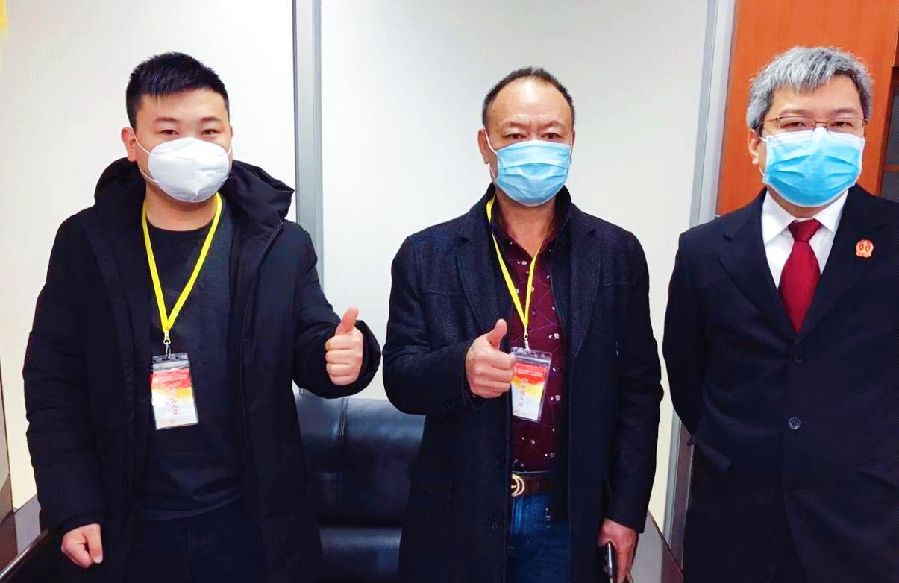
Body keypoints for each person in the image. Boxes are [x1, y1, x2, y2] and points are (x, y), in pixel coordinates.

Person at [23, 52, 380, 583]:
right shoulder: (86, 243)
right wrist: (72, 504)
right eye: (169, 131)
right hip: (126, 524)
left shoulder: (280, 245)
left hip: (251, 523)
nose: (191, 146)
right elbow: (53, 383)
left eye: (209, 131)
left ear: (231, 138)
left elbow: (313, 344)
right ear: (132, 143)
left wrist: (349, 356)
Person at [383, 67, 662, 583]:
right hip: (458, 513)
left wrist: (625, 512)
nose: (535, 148)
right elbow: (400, 377)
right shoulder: (427, 254)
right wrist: (459, 369)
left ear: (572, 142)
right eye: (515, 134)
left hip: (567, 513)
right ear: (485, 146)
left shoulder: (616, 253)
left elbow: (640, 392)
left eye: (551, 134)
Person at [664, 46, 899, 583]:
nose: (819, 139)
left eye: (840, 124)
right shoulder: (704, 250)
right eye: (795, 123)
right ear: (756, 141)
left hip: (863, 529)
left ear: (862, 135)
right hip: (734, 525)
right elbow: (688, 376)